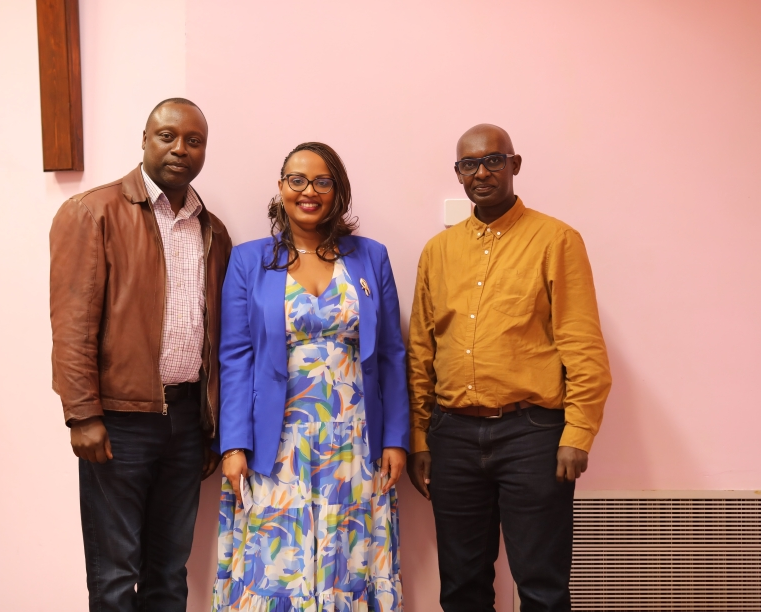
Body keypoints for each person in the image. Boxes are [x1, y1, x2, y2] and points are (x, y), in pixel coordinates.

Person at [406, 124, 612, 612]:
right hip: (452, 435)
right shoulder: (438, 251)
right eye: (469, 165)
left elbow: (581, 345)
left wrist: (577, 433)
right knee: (461, 586)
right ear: (457, 174)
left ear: (515, 165)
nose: (481, 172)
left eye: (493, 160)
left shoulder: (556, 240)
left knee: (541, 585)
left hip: (533, 434)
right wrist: (420, 437)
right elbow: (421, 351)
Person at [49, 98, 232, 611]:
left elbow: (218, 337)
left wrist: (212, 422)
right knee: (114, 576)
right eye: (167, 136)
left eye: (193, 141)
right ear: (145, 140)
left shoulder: (212, 230)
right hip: (119, 423)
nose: (180, 149)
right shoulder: (92, 212)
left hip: (187, 423)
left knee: (169, 575)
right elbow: (72, 327)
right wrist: (82, 414)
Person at [212, 142, 409, 611]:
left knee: (350, 554)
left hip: (355, 440)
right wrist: (234, 444)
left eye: (322, 181)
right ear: (281, 188)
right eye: (297, 179)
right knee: (277, 557)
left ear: (337, 191)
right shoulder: (249, 261)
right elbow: (235, 357)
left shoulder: (371, 257)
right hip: (275, 441)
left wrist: (396, 438)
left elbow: (392, 355)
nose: (309, 191)